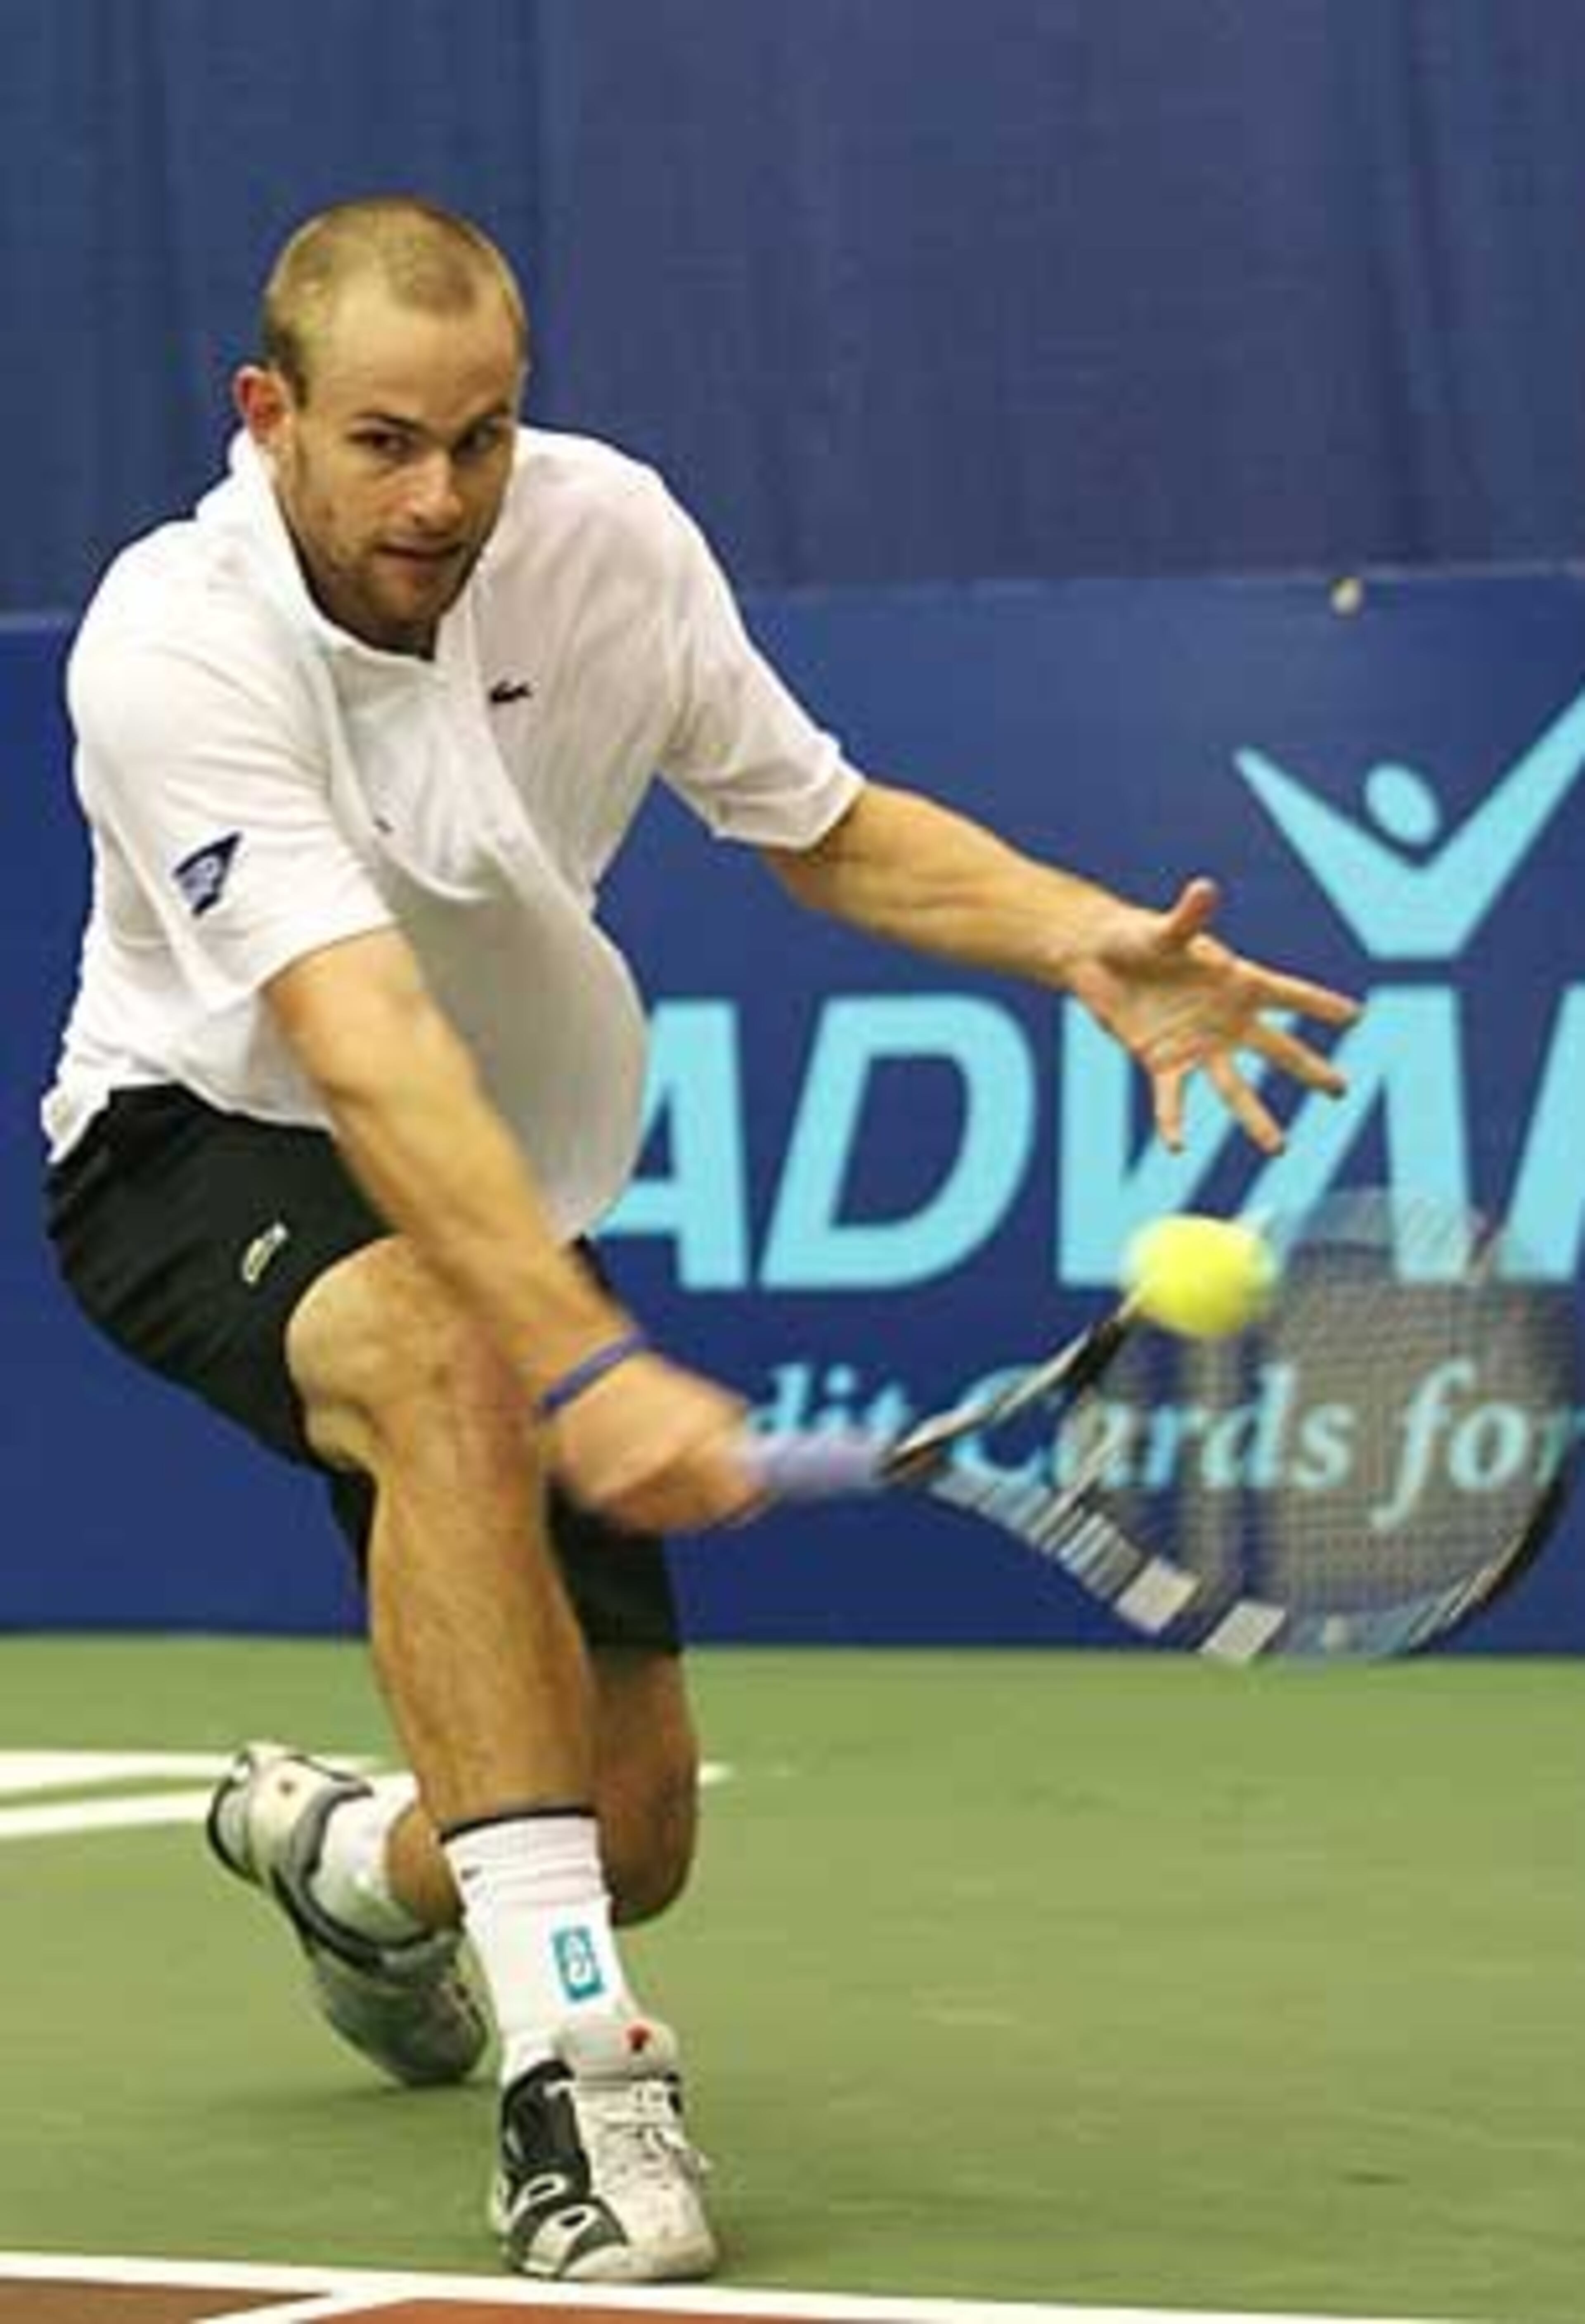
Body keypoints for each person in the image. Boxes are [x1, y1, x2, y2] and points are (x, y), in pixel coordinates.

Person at [41, 195, 1358, 2285]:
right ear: (267, 414)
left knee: (624, 1832)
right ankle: (578, 2083)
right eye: (385, 441)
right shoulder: (171, 640)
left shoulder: (606, 536)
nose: (442, 493)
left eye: (481, 437)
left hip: (506, 1180)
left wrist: (1076, 937)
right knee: (458, 1364)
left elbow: (820, 823)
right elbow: (365, 1052)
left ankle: (356, 1870)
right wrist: (582, 1357)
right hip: (205, 1140)